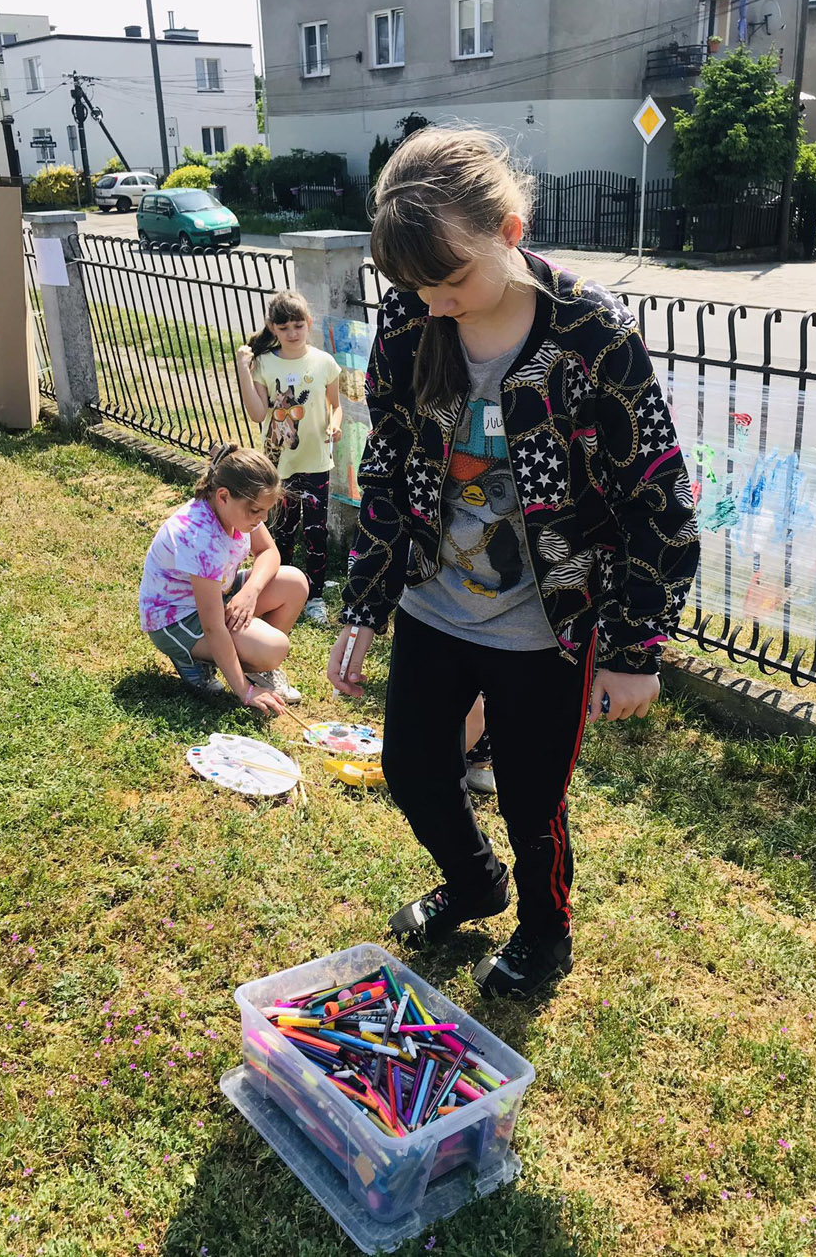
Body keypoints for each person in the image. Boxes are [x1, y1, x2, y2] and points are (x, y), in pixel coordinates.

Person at [328, 128, 699, 1000]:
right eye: (418, 288)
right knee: (411, 769)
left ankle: (545, 932)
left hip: (548, 623)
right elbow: (386, 465)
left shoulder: (592, 334)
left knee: (534, 802)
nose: (435, 305)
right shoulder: (412, 316)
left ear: (509, 230)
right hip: (434, 601)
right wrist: (366, 603)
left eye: (450, 281)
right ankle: (473, 883)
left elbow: (658, 496)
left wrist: (635, 650)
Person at [140, 442, 307, 712]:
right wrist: (245, 692)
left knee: (295, 583)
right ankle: (196, 658)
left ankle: (255, 665)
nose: (263, 518)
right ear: (223, 496)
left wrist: (250, 592)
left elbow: (268, 552)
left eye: (267, 510)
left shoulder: (238, 508)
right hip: (177, 621)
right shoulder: (200, 537)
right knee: (274, 647)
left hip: (216, 594)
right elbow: (213, 626)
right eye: (257, 511)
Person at [236, 292, 342, 626]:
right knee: (282, 530)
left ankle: (315, 595)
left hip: (317, 462)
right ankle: (280, 588)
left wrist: (335, 425)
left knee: (316, 531)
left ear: (309, 323)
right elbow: (257, 414)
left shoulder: (324, 362)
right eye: (284, 328)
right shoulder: (265, 363)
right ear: (273, 328)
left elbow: (336, 406)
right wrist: (242, 369)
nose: (292, 333)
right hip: (278, 467)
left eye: (298, 325)